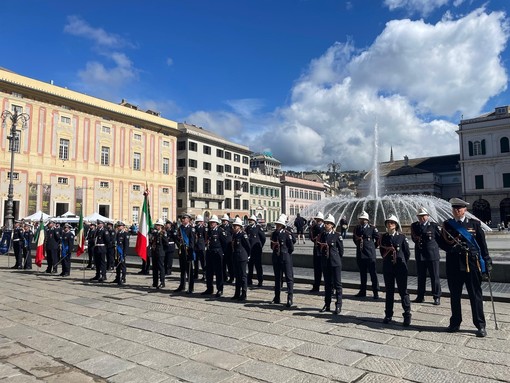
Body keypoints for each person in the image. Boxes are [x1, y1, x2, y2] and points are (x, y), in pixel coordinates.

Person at [438, 198, 492, 337]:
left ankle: (480, 325)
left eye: (460, 208)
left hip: (472, 265)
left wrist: (487, 262)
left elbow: (482, 246)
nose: (457, 210)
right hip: (454, 265)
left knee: (475, 295)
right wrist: (452, 249)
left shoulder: (474, 224)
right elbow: (442, 243)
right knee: (455, 296)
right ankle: (455, 322)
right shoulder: (447, 225)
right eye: (455, 208)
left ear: (465, 210)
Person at [379, 214, 412, 326]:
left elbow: (407, 253)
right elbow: (382, 252)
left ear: (396, 225)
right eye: (388, 223)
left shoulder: (402, 237)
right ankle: (388, 314)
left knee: (403, 291)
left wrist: (401, 262)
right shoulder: (383, 237)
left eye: (392, 223)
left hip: (400, 268)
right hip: (388, 267)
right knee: (389, 292)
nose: (390, 224)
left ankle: (407, 314)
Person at [410, 207, 442, 305]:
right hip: (420, 254)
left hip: (432, 255)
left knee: (434, 276)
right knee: (421, 276)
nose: (421, 218)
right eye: (419, 216)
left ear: (428, 216)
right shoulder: (414, 226)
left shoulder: (433, 226)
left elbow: (440, 238)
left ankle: (436, 296)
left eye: (423, 216)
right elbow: (413, 238)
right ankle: (420, 296)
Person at [317, 214, 344, 315]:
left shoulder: (337, 235)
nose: (326, 225)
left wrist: (336, 259)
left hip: (335, 263)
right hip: (325, 262)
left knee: (337, 284)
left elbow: (341, 251)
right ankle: (327, 304)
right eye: (325, 223)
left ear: (332, 225)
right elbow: (318, 247)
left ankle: (338, 304)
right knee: (327, 285)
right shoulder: (322, 235)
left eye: (328, 223)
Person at [352, 211, 380, 299]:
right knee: (362, 274)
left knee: (373, 274)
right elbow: (354, 239)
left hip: (370, 254)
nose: (362, 221)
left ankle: (375, 291)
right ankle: (362, 291)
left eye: (364, 219)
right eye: (361, 219)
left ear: (367, 220)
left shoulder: (372, 228)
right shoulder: (357, 228)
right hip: (360, 254)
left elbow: (378, 239)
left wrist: (373, 247)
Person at [270, 214, 295, 307]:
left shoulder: (287, 234)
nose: (277, 226)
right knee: (277, 278)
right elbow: (272, 245)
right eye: (276, 225)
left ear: (282, 226)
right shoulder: (274, 234)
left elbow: (291, 248)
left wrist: (285, 253)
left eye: (279, 225)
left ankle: (290, 298)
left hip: (285, 258)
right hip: (276, 258)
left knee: (289, 278)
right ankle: (277, 297)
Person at [202, 215, 227, 297]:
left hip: (217, 253)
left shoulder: (220, 231)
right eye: (211, 222)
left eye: (213, 222)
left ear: (216, 223)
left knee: (219, 272)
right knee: (209, 272)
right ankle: (209, 288)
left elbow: (225, 243)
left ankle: (220, 289)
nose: (211, 224)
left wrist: (222, 253)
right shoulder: (209, 231)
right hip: (210, 253)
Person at [230, 217, 251, 301]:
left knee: (243, 276)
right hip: (236, 256)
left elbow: (248, 246)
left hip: (242, 257)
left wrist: (248, 256)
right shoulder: (234, 235)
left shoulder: (243, 234)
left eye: (235, 226)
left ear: (239, 227)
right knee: (237, 276)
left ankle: (244, 293)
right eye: (234, 226)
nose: (234, 227)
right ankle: (237, 293)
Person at [175, 213, 196, 293]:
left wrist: (190, 251)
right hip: (182, 251)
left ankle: (191, 288)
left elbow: (192, 241)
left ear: (188, 219)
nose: (183, 219)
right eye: (182, 218)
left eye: (184, 218)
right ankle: (182, 286)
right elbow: (177, 239)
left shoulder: (191, 229)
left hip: (188, 252)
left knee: (189, 271)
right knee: (182, 270)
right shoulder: (180, 228)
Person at [246, 215, 266, 287]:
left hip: (257, 250)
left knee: (258, 266)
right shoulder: (248, 228)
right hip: (250, 251)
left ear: (254, 221)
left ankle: (260, 280)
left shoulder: (258, 228)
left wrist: (260, 246)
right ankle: (249, 280)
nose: (250, 221)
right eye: (249, 220)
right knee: (250, 266)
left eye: (251, 220)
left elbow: (263, 238)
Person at [309, 212, 325, 293]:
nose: (318, 221)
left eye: (319, 220)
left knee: (326, 269)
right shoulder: (313, 227)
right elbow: (311, 236)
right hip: (317, 249)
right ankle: (316, 286)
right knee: (317, 269)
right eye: (317, 219)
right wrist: (315, 239)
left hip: (324, 250)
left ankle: (330, 287)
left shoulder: (326, 227)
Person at [151, 219, 168, 289]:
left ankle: (162, 282)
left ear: (161, 226)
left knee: (161, 268)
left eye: (158, 225)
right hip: (154, 252)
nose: (156, 226)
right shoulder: (155, 233)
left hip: (160, 253)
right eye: (156, 225)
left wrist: (162, 251)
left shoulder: (163, 233)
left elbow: (166, 244)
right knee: (154, 268)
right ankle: (155, 282)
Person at [113, 221, 129, 285]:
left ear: (123, 226)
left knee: (122, 266)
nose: (118, 227)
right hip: (117, 252)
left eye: (120, 226)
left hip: (121, 252)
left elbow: (126, 245)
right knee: (117, 265)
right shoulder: (117, 233)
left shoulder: (125, 234)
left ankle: (123, 278)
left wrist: (124, 253)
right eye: (118, 226)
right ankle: (117, 278)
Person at [221, 214, 234, 283]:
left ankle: (231, 277)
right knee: (223, 265)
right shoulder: (220, 227)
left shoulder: (231, 227)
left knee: (230, 264)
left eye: (224, 220)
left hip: (229, 248)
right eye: (223, 220)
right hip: (222, 248)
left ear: (227, 221)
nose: (223, 221)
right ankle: (224, 277)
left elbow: (233, 235)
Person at [193, 215, 207, 280]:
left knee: (203, 262)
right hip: (196, 246)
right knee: (195, 262)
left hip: (201, 246)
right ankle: (195, 274)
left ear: (202, 222)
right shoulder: (195, 228)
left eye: (199, 221)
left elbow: (205, 237)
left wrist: (205, 245)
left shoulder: (204, 228)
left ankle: (204, 274)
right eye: (197, 222)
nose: (198, 223)